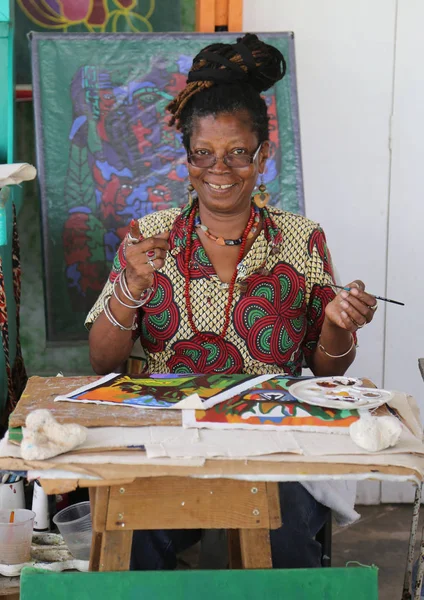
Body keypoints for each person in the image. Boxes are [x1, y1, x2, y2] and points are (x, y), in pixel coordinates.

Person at [86, 33, 378, 569]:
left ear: (262, 155)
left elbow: (325, 366)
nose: (219, 169)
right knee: (136, 527)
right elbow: (102, 362)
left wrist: (339, 326)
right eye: (204, 154)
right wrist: (130, 289)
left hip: (275, 439)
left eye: (238, 152)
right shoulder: (150, 235)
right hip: (170, 438)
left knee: (284, 526)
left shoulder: (301, 238)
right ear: (187, 158)